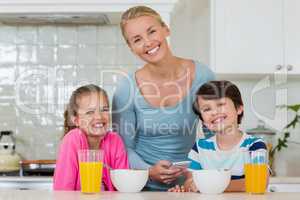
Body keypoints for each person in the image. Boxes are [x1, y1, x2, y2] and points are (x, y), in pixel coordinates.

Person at [112, 6, 215, 191]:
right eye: (137, 39)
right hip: (141, 187)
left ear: (165, 29)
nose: (148, 42)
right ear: (131, 48)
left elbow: (214, 136)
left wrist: (200, 172)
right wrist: (148, 171)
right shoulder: (126, 88)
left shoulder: (202, 76)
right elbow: (122, 147)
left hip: (189, 187)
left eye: (151, 31)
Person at [168, 80, 268, 192]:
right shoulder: (199, 148)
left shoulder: (255, 146)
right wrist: (186, 188)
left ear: (239, 108)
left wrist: (211, 186)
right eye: (207, 109)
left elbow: (260, 182)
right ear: (203, 120)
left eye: (220, 105)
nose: (214, 112)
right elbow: (190, 182)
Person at [53, 84, 129, 191]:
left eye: (105, 109)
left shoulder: (115, 141)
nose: (99, 116)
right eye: (90, 112)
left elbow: (124, 186)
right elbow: (63, 191)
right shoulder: (73, 139)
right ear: (76, 120)